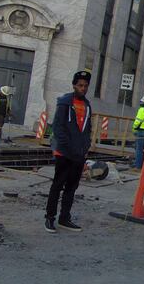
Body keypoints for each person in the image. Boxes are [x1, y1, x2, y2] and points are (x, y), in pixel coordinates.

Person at [45, 71, 92, 233]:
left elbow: (87, 129)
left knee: (71, 187)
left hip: (78, 154)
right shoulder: (65, 102)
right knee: (57, 185)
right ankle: (50, 218)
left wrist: (85, 147)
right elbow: (58, 127)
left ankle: (64, 218)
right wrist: (67, 147)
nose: (83, 88)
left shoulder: (87, 105)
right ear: (74, 85)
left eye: (85, 86)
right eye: (80, 85)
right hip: (64, 153)